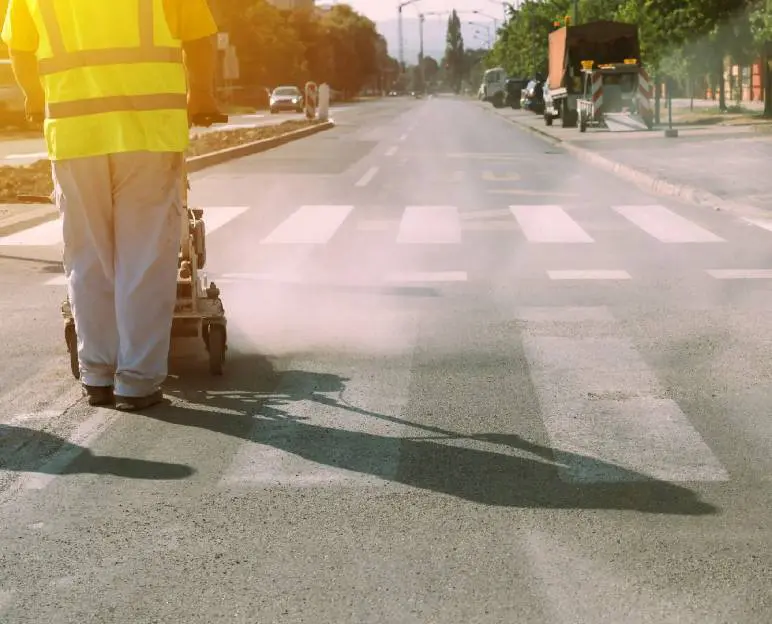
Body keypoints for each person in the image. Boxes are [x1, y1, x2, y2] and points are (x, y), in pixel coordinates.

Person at [1, 0, 221, 411]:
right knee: (144, 259)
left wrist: (35, 97)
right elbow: (199, 35)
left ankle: (98, 374)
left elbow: (19, 47)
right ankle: (136, 382)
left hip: (74, 133)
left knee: (87, 257)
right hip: (148, 132)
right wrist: (203, 96)